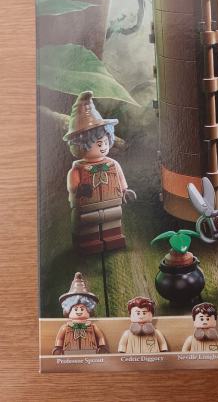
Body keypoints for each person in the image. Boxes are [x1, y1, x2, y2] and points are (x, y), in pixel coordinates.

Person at [64, 91, 137, 253]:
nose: (103, 146)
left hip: (112, 203)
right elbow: (72, 186)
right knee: (87, 223)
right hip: (87, 207)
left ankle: (113, 238)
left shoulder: (112, 164)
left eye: (105, 141)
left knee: (112, 221)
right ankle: (88, 242)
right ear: (80, 145)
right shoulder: (78, 169)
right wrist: (78, 188)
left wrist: (125, 191)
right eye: (98, 143)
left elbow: (120, 179)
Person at [52, 272, 107, 355]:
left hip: (91, 353)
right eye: (75, 309)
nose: (79, 311)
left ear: (89, 310)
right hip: (69, 354)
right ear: (68, 311)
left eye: (82, 309)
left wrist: (102, 346)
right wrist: (58, 347)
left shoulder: (92, 326)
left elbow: (100, 337)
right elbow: (60, 338)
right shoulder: (66, 327)